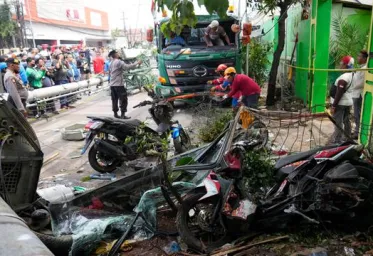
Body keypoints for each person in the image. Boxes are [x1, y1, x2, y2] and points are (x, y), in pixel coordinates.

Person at [108, 50, 142, 119]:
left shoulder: (111, 63)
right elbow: (127, 67)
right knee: (123, 99)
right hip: (119, 85)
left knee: (114, 99)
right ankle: (123, 115)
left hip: (112, 85)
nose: (119, 54)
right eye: (118, 53)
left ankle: (115, 114)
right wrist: (136, 63)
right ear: (116, 55)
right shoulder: (119, 62)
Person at [329, 56, 355, 144]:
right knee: (346, 121)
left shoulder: (344, 77)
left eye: (341, 63)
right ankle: (348, 138)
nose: (340, 65)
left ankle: (337, 140)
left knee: (338, 122)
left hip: (340, 103)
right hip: (348, 102)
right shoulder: (353, 74)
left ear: (345, 65)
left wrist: (334, 106)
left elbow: (339, 93)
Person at [352, 50, 368, 139]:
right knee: (356, 114)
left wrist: (351, 85)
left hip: (358, 95)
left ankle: (357, 133)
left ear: (365, 58)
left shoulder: (365, 68)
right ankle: (357, 131)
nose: (357, 58)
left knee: (357, 114)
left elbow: (361, 83)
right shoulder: (361, 67)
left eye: (359, 56)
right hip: (356, 94)